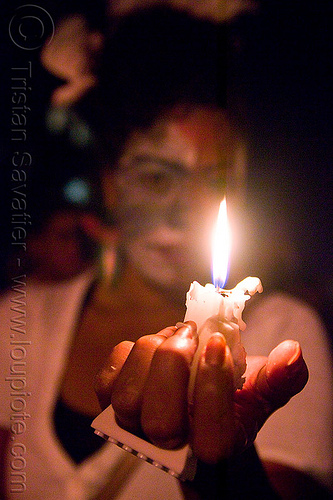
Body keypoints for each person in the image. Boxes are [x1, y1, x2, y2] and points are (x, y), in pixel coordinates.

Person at [0, 7, 332, 499]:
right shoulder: (19, 320)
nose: (187, 211)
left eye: (214, 182)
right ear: (111, 186)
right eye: (157, 177)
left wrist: (225, 473)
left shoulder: (281, 337)